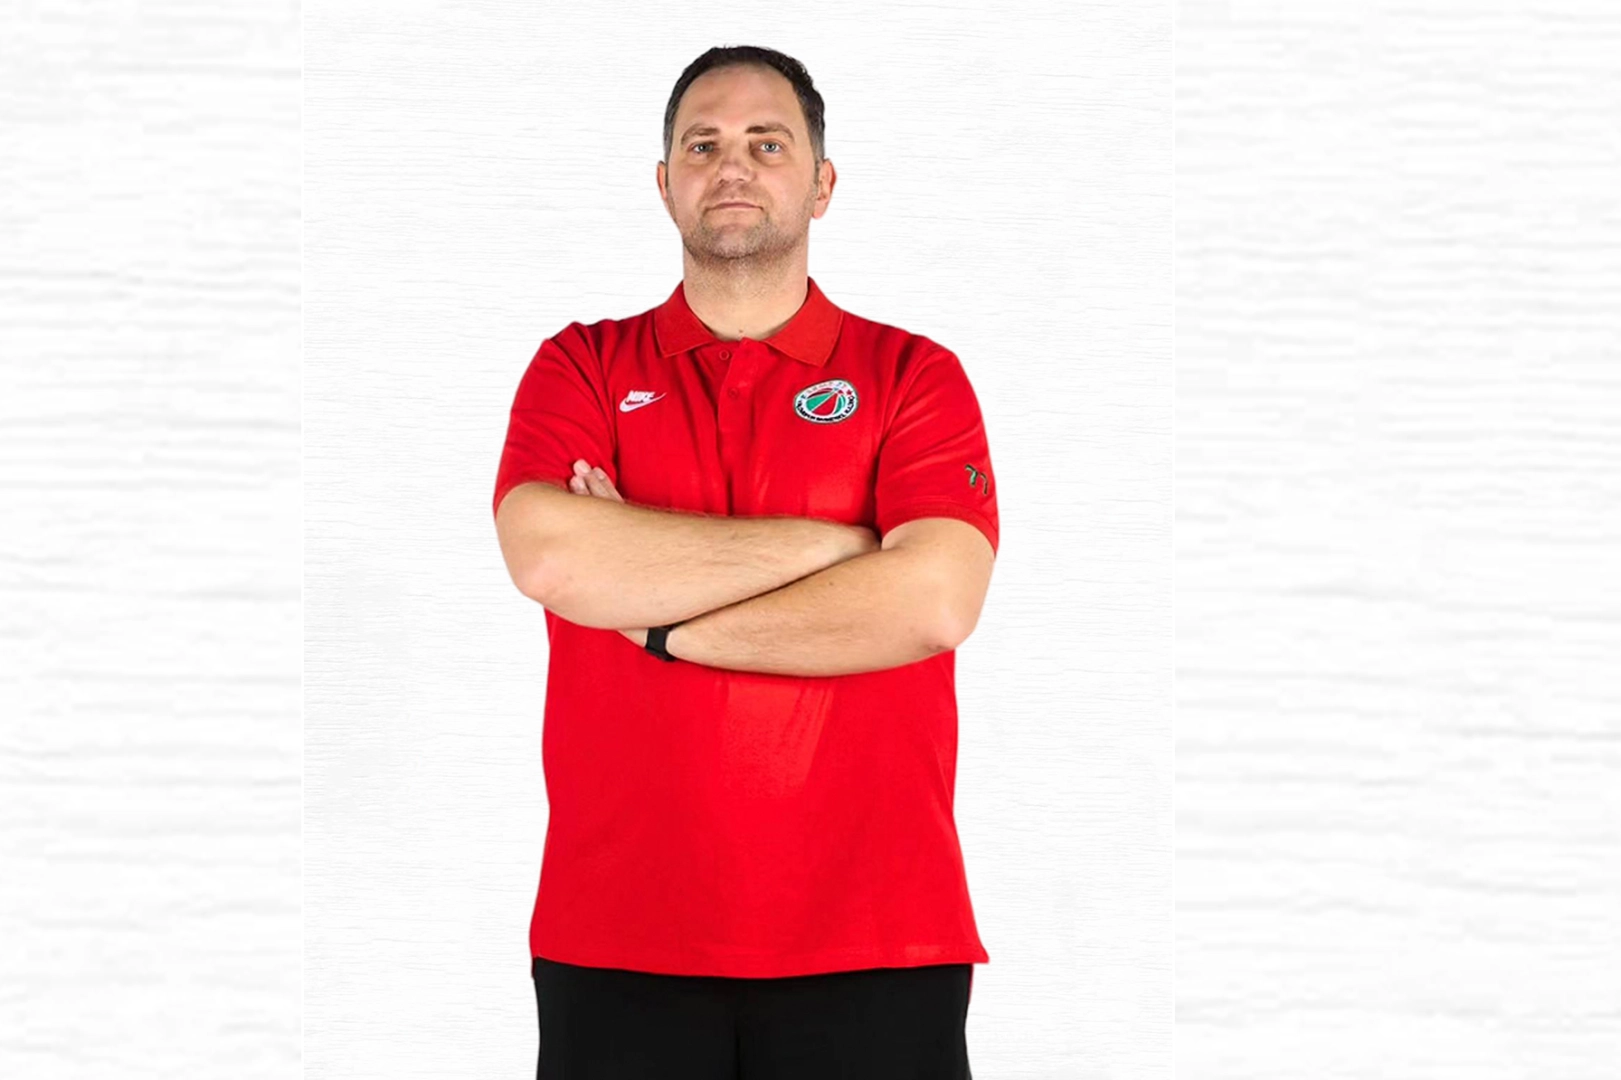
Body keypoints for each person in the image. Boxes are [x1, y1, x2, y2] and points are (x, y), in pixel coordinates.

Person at [493, 44, 999, 1079]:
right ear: (664, 182)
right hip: (618, 931)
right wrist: (841, 547)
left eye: (767, 144)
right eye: (702, 144)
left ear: (821, 183)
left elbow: (934, 601)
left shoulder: (913, 374)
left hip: (876, 932)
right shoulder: (580, 364)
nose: (731, 165)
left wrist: (651, 618)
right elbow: (548, 554)